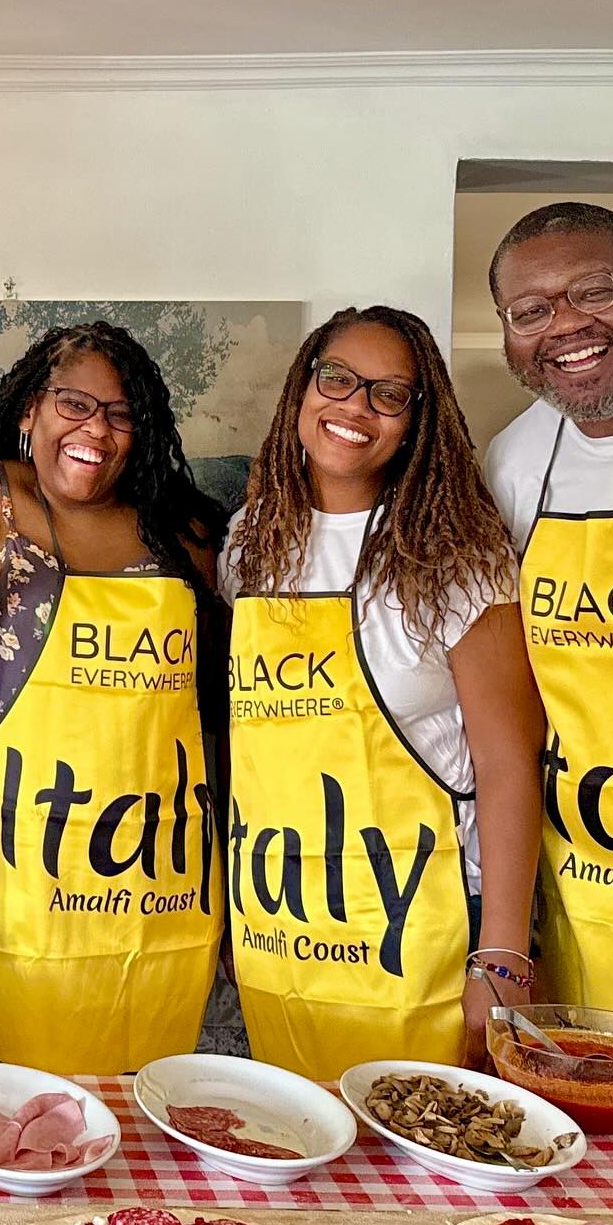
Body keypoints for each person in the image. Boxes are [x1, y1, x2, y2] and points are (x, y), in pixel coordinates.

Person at [221, 306, 543, 1080]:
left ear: (416, 419)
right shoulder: (250, 544)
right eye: (337, 379)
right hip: (279, 929)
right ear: (303, 387)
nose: (355, 407)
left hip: (428, 932)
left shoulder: (456, 556)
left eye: (388, 394)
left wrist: (502, 957)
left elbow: (508, 762)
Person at [0, 322, 226, 1076]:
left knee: (146, 1095)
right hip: (9, 873)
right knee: (10, 1103)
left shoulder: (180, 529)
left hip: (159, 874)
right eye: (75, 404)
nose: (96, 430)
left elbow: (214, 698)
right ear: (31, 409)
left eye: (120, 414)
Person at [484, 203, 613, 1019]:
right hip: (583, 890)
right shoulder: (514, 462)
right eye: (531, 311)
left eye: (593, 290)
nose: (566, 326)